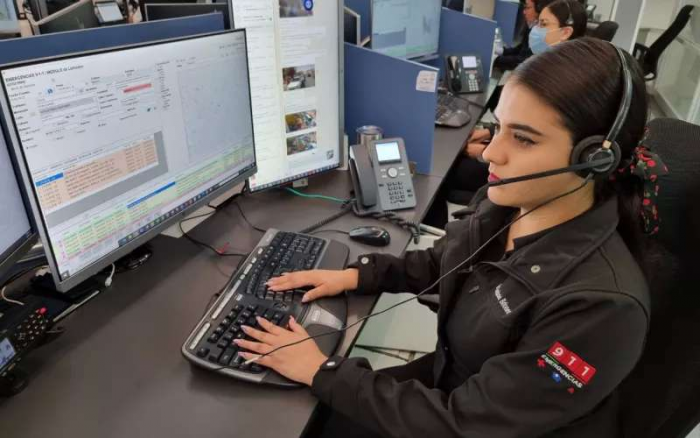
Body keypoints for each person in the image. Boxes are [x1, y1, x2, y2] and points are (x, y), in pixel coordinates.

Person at [232, 38, 668, 437]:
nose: (492, 152)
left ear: (594, 159)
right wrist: (357, 275)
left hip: (474, 422)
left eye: (523, 139)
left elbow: (466, 425)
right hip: (455, 382)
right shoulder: (510, 204)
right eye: (499, 127)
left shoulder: (602, 308)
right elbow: (446, 260)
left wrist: (321, 370)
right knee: (301, 410)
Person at [455, 0, 589, 198]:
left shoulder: (561, 83)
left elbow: (534, 139)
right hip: (518, 161)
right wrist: (489, 132)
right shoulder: (556, 69)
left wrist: (484, 152)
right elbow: (528, 126)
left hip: (524, 174)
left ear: (565, 32)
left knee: (452, 173)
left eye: (543, 24)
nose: (536, 29)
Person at [493, 0, 554, 71]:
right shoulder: (532, 26)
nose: (524, 12)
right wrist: (503, 51)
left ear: (539, 9)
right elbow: (522, 48)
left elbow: (522, 60)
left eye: (527, 8)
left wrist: (496, 60)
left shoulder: (540, 35)